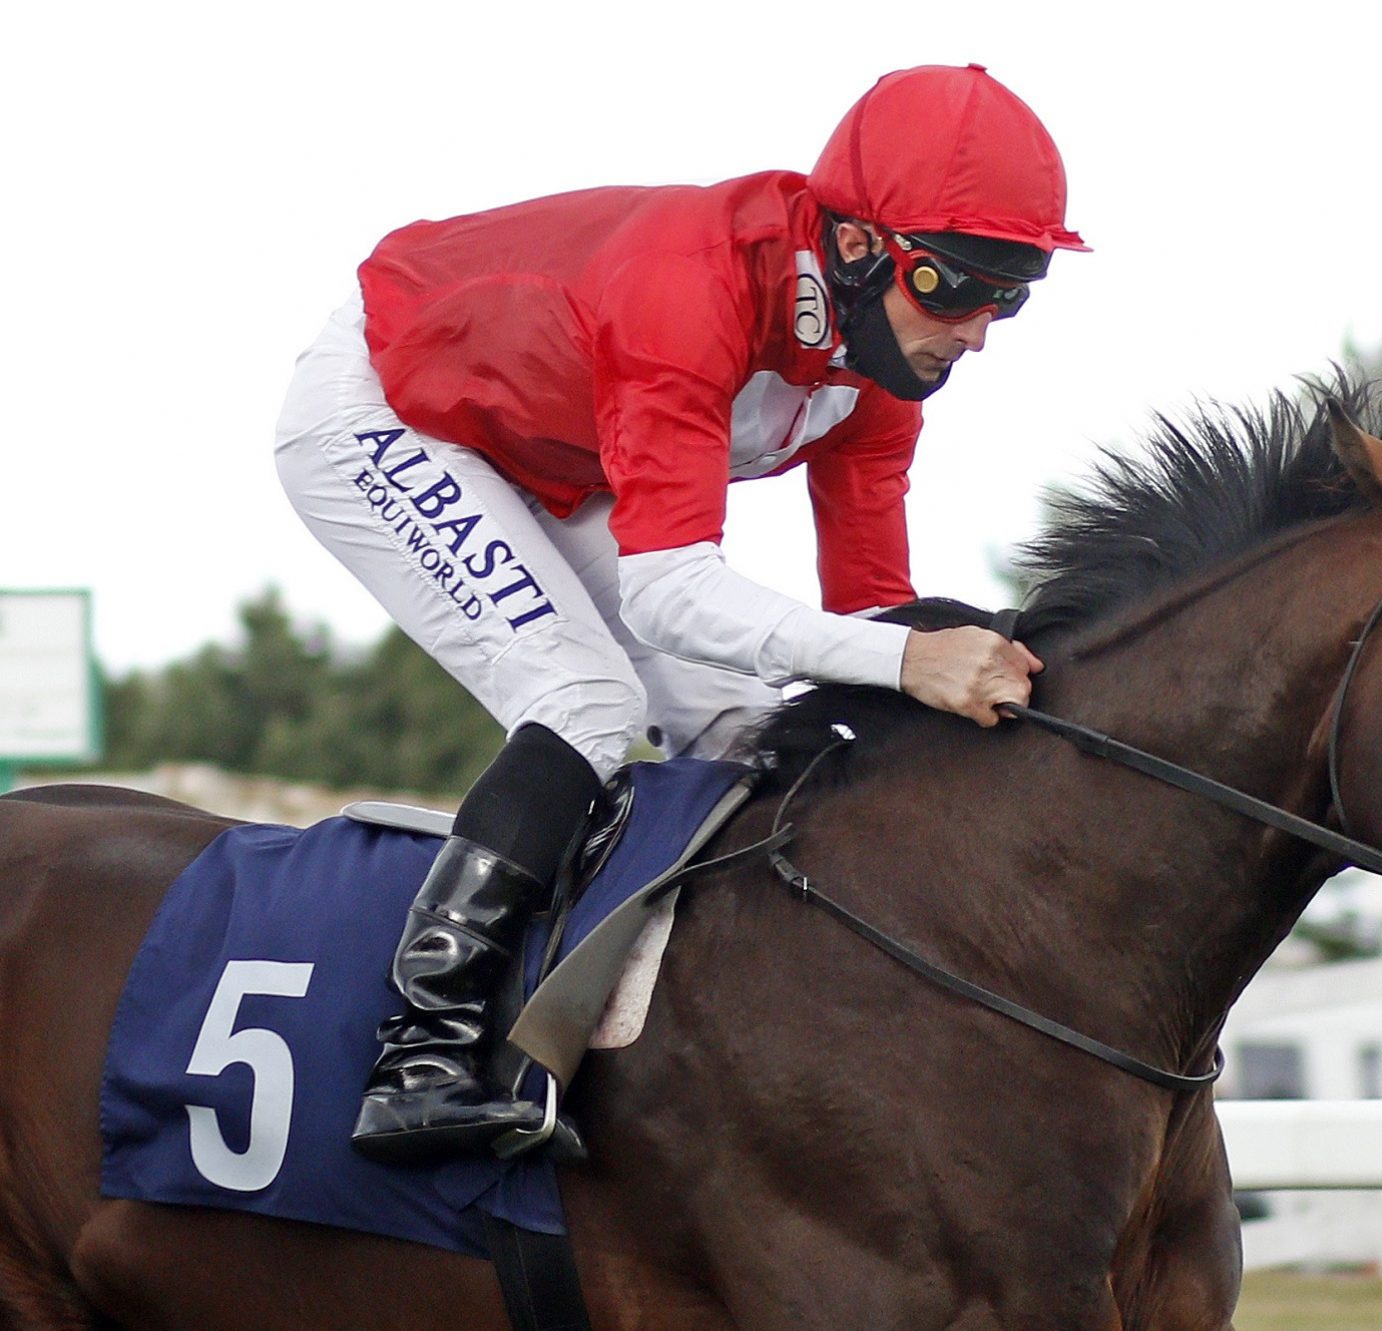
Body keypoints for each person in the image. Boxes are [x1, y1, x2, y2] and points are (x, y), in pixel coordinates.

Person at [273, 64, 1082, 1164]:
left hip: (550, 448)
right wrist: (908, 660)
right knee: (586, 695)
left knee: (743, 726)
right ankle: (421, 1053)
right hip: (390, 407)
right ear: (855, 245)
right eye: (955, 285)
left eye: (1011, 292)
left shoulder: (879, 375)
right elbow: (671, 588)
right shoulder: (691, 285)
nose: (979, 331)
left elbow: (869, 613)